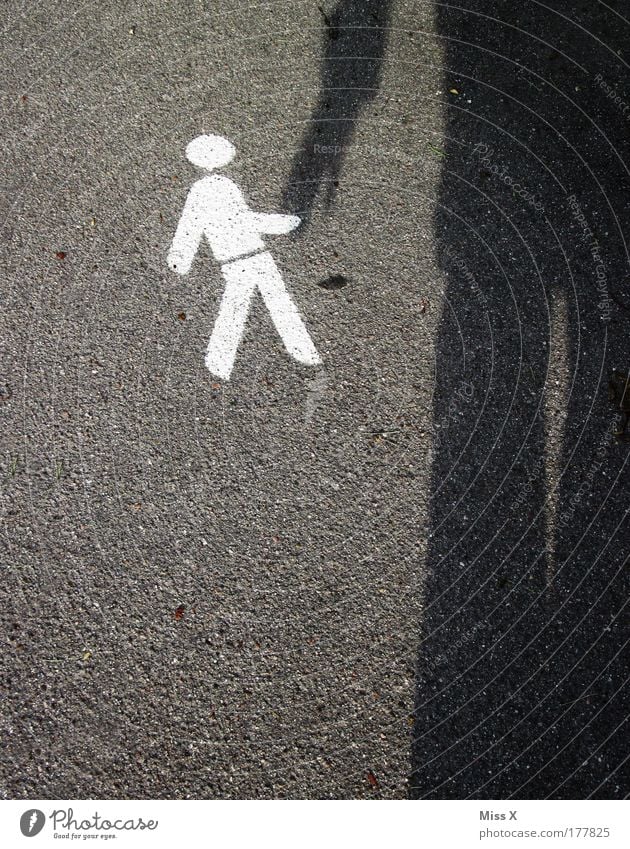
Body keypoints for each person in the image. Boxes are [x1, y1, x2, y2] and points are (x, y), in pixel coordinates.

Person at [168, 134, 322, 380]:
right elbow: (237, 219)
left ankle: (222, 359)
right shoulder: (218, 188)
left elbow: (191, 224)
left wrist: (181, 256)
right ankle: (300, 349)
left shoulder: (207, 188)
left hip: (235, 257)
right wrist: (279, 224)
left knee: (242, 301)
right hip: (250, 253)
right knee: (272, 298)